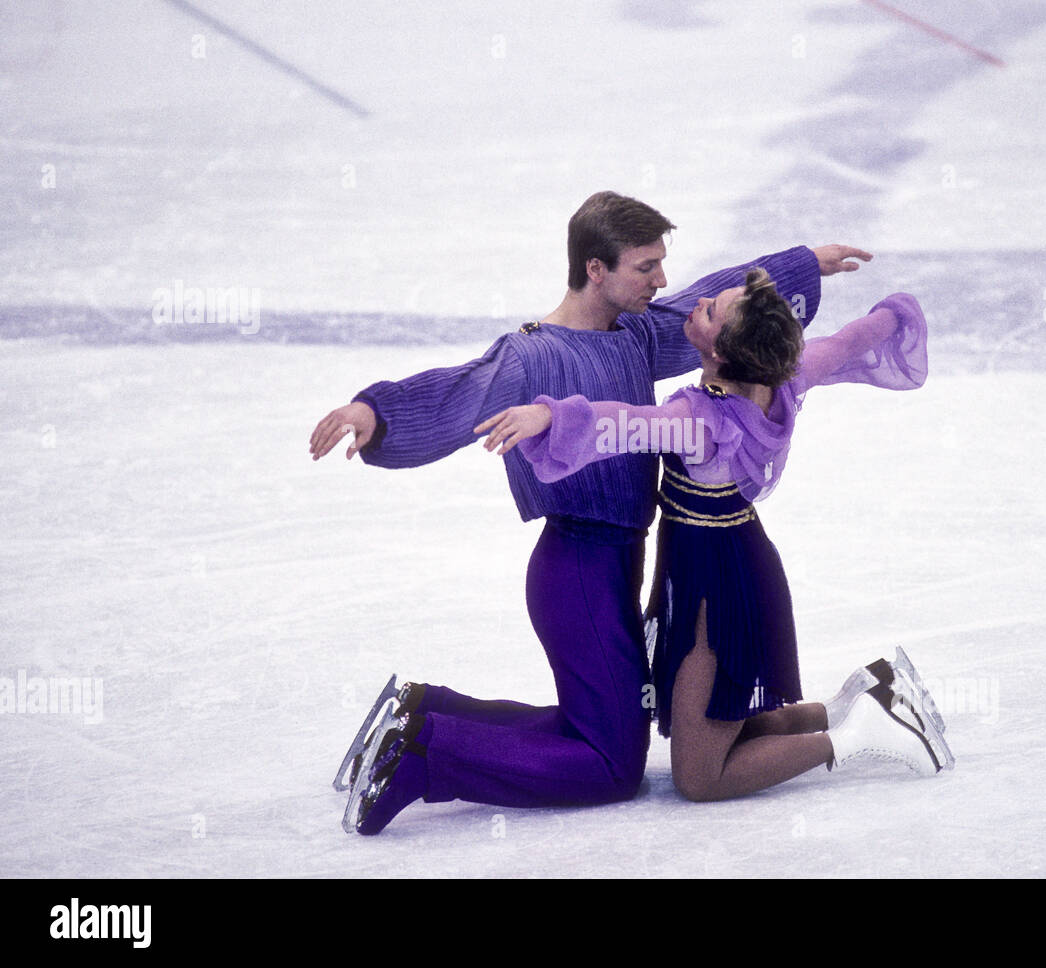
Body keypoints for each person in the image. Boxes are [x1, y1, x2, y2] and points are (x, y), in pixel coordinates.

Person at [307, 190, 873, 832]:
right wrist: (375, 413)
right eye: (645, 267)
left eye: (661, 264)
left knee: (600, 725)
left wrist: (799, 266)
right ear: (595, 269)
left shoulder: (634, 334)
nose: (661, 282)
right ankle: (424, 755)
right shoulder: (531, 356)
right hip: (576, 568)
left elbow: (709, 308)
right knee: (610, 763)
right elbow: (456, 391)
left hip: (617, 565)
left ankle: (424, 710)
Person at [476, 269, 953, 802]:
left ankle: (859, 734)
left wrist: (548, 415)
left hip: (716, 589)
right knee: (712, 724)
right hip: (739, 559)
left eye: (709, 312)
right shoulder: (787, 375)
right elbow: (844, 345)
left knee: (701, 778)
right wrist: (892, 316)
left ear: (723, 352)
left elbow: (624, 424)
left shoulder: (700, 422)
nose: (698, 304)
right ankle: (854, 703)